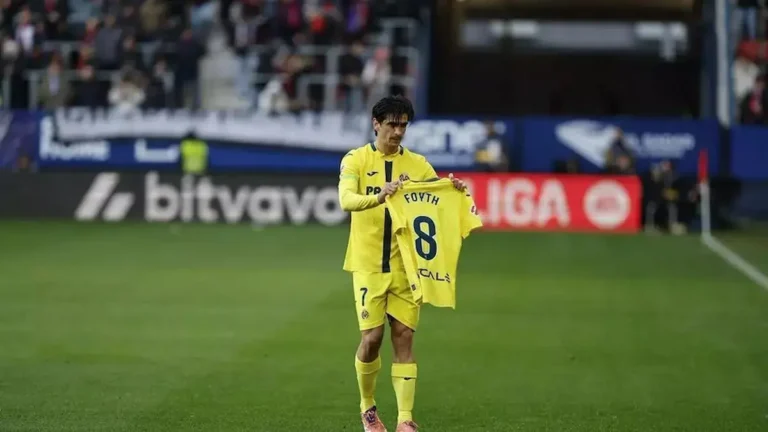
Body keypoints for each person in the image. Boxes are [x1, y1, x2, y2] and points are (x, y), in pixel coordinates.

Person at [338, 95, 466, 432]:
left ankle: (405, 419)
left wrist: (454, 190)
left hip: (406, 266)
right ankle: (368, 408)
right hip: (367, 263)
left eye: (403, 125)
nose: (398, 131)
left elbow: (435, 203)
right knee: (372, 338)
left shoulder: (419, 165)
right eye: (392, 124)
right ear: (376, 123)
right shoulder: (355, 160)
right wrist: (379, 196)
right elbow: (346, 200)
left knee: (404, 335)